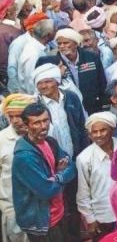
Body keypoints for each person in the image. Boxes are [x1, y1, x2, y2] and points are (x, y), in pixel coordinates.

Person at [11, 102, 77, 241]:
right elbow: (46, 190)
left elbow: (71, 167)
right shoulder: (24, 157)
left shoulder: (50, 142)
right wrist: (61, 175)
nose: (43, 126)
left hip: (59, 213)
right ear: (26, 125)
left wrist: (57, 177)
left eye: (45, 120)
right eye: (36, 123)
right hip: (42, 223)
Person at [76, 111, 117, 240]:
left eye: (103, 130)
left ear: (112, 130)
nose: (98, 135)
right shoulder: (84, 158)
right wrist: (90, 219)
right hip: (104, 215)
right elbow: (83, 193)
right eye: (94, 132)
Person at [0, 94, 36, 242]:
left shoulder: (43, 133)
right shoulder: (2, 139)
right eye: (11, 116)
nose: (15, 121)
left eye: (19, 116)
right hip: (12, 207)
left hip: (41, 205)